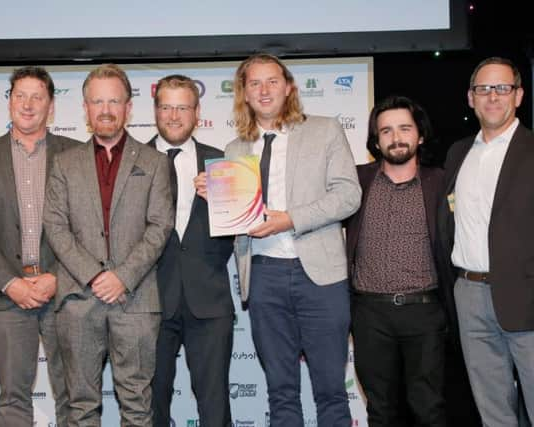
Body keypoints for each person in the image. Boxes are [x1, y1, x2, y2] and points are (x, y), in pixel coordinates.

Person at [195, 53, 361, 427]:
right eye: (255, 83)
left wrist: (290, 220)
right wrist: (217, 197)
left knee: (331, 390)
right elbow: (238, 219)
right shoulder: (235, 150)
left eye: (272, 81)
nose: (264, 89)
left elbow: (349, 195)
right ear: (244, 93)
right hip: (264, 276)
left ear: (288, 88)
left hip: (320, 277)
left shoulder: (325, 130)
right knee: (281, 392)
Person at [43, 64, 174, 426]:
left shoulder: (155, 163)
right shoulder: (63, 164)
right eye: (97, 101)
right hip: (79, 301)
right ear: (85, 108)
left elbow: (159, 225)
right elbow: (55, 226)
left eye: (114, 101)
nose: (105, 109)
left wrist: (122, 277)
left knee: (137, 406)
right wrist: (94, 275)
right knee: (81, 407)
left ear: (129, 108)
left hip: (135, 299)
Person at [0, 66, 78, 427]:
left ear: (51, 106)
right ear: (10, 101)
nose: (27, 105)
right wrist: (10, 283)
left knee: (74, 396)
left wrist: (57, 278)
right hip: (5, 296)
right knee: (12, 397)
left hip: (63, 294)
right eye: (20, 96)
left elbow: (87, 231)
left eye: (37, 97)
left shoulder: (75, 155)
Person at [438, 56, 534, 426]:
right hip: (469, 294)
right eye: (484, 89)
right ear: (470, 98)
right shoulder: (458, 153)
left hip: (525, 295)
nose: (492, 96)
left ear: (519, 95)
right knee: (492, 409)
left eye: (502, 88)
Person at [345, 95, 446, 426]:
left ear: (420, 135)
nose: (396, 137)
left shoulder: (442, 183)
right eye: (386, 130)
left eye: (405, 128)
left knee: (429, 408)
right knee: (380, 411)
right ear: (376, 139)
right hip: (370, 314)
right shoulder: (356, 181)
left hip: (425, 312)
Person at [149, 75, 234, 427]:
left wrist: (221, 201)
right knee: (151, 407)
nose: (173, 115)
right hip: (149, 302)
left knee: (215, 408)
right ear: (155, 111)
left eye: (182, 107)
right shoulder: (132, 162)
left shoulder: (223, 163)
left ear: (197, 112)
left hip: (209, 301)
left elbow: (241, 229)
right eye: (166, 106)